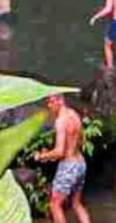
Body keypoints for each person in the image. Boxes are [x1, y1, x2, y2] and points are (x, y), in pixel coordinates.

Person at [35, 94, 91, 223]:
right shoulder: (74, 115)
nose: (49, 106)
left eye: (51, 102)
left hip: (68, 166)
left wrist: (42, 156)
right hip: (80, 164)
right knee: (76, 204)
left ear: (60, 101)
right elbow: (81, 141)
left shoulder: (60, 121)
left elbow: (59, 152)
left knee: (55, 205)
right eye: (48, 102)